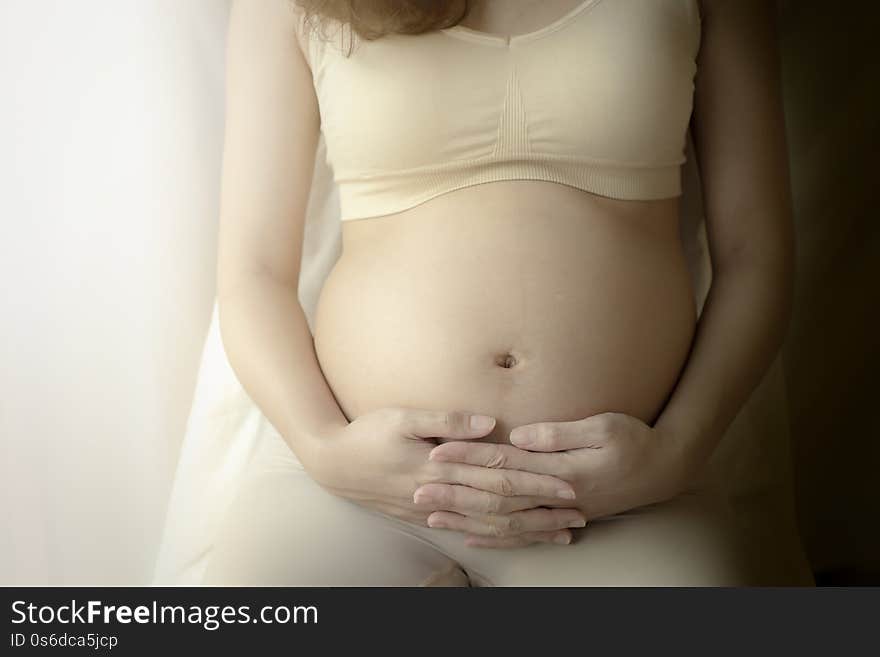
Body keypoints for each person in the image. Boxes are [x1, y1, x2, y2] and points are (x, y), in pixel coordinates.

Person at [205, 0, 805, 585]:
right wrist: (324, 449)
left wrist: (675, 453)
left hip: (619, 498)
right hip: (357, 489)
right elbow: (252, 272)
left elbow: (754, 256)